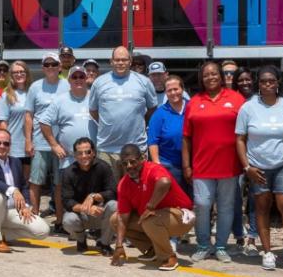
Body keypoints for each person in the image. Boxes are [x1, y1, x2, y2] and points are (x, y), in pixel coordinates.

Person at [235, 65, 283, 273]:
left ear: (278, 82)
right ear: (258, 84)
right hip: (258, 166)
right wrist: (247, 167)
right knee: (262, 207)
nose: (268, 84)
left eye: (271, 80)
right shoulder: (248, 108)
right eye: (263, 81)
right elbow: (240, 139)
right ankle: (268, 252)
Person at [184, 61, 246, 264]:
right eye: (206, 75)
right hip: (201, 165)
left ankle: (220, 246)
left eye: (214, 74)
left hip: (229, 165)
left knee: (226, 206)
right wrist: (187, 165)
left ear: (221, 76)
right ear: (201, 78)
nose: (210, 77)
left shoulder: (236, 99)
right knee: (202, 204)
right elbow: (186, 137)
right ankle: (203, 244)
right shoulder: (194, 101)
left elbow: (245, 133)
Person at [109, 144, 194, 272]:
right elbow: (123, 217)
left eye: (133, 162)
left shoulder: (153, 169)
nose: (129, 166)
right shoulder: (124, 184)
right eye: (125, 164)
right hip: (156, 218)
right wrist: (119, 245)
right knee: (115, 219)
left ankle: (169, 257)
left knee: (149, 219)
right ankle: (152, 249)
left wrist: (150, 207)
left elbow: (165, 182)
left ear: (142, 158)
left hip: (181, 217)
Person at [0, 129, 50, 252]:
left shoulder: (15, 162)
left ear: (10, 145)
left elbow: (24, 186)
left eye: (6, 143)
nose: (2, 146)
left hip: (12, 211)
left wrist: (25, 205)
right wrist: (13, 190)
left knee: (42, 231)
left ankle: (2, 234)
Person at [88, 46, 157, 178]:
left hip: (136, 149)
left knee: (136, 192)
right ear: (111, 61)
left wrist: (139, 122)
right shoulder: (99, 83)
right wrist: (109, 123)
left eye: (124, 59)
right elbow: (93, 111)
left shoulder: (144, 82)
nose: (120, 63)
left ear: (130, 61)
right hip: (107, 150)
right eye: (117, 60)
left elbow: (152, 109)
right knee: (108, 194)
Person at [25, 53, 69, 217]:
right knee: (35, 181)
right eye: (47, 65)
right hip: (39, 142)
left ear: (59, 67)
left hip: (61, 144)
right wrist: (28, 141)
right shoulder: (35, 87)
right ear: (43, 68)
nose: (50, 67)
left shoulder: (67, 85)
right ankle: (34, 216)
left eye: (53, 64)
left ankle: (59, 219)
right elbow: (29, 115)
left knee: (59, 184)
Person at [60, 137, 116, 254]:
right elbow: (67, 201)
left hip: (101, 212)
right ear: (75, 155)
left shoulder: (103, 167)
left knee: (115, 206)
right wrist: (86, 208)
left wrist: (94, 196)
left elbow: (112, 192)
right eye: (80, 153)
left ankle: (104, 243)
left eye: (88, 152)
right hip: (81, 214)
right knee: (68, 220)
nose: (84, 156)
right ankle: (81, 239)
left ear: (94, 153)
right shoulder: (68, 172)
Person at [39, 65, 96, 171]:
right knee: (65, 187)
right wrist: (54, 145)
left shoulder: (95, 97)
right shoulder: (60, 100)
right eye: (75, 77)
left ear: (86, 79)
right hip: (69, 160)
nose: (78, 79)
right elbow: (43, 122)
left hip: (93, 159)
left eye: (81, 77)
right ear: (69, 80)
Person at [147, 75, 190, 195]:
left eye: (176, 89)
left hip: (193, 163)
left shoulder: (193, 107)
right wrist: (157, 165)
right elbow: (153, 141)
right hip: (170, 165)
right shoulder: (159, 114)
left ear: (182, 89)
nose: (173, 93)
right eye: (169, 90)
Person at [234, 67, 259, 254]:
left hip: (257, 156)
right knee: (235, 198)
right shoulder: (233, 101)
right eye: (241, 80)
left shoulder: (260, 100)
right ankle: (238, 237)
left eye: (248, 79)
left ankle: (252, 237)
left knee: (255, 199)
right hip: (236, 156)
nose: (245, 83)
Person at [0, 60, 32, 178]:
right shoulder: (6, 95)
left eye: (22, 71)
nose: (19, 74)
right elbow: (3, 123)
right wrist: (6, 145)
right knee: (14, 181)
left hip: (32, 145)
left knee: (28, 182)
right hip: (14, 147)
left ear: (27, 73)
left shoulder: (33, 92)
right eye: (15, 72)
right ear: (11, 76)